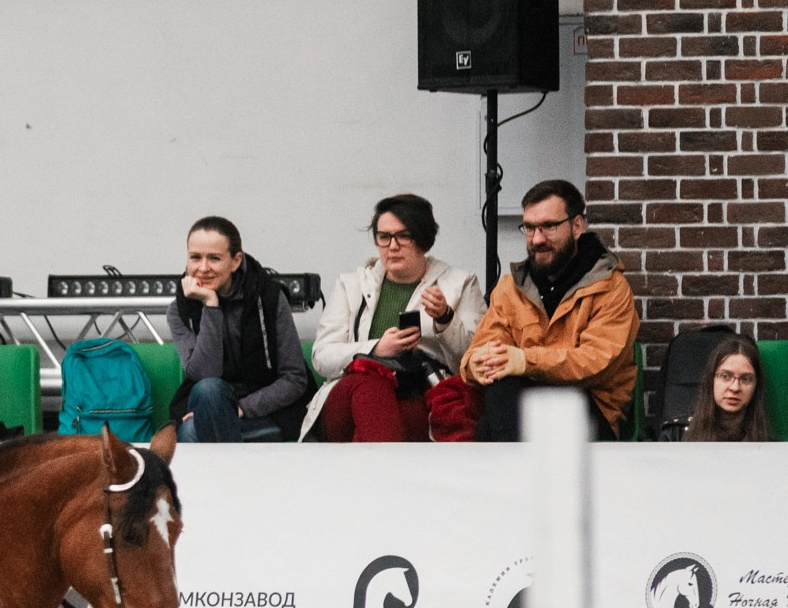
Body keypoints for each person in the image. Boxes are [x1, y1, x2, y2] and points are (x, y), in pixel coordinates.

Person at [444, 180, 640, 442]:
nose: (537, 239)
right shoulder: (510, 288)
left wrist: (525, 361)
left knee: (500, 407)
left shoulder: (611, 288)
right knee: (501, 388)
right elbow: (479, 350)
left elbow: (596, 364)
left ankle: (506, 476)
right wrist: (477, 365)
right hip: (518, 407)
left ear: (577, 225)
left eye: (549, 226)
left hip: (590, 411)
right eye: (529, 228)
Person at [305, 194, 484, 442]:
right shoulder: (351, 285)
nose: (392, 246)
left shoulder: (459, 284)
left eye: (404, 236)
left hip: (419, 394)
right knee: (370, 382)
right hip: (350, 395)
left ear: (424, 240)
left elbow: (475, 362)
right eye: (384, 237)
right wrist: (376, 348)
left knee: (405, 416)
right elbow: (322, 357)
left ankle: (373, 476)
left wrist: (446, 320)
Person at [165, 216, 310, 442]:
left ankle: (226, 475)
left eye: (214, 258)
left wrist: (240, 408)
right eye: (195, 257)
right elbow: (204, 375)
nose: (203, 268)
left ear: (235, 261)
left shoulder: (269, 298)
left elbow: (295, 378)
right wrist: (210, 306)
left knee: (193, 433)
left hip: (266, 413)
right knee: (207, 391)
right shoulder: (180, 310)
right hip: (210, 404)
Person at [668, 333, 772, 442]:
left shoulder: (770, 448)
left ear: (756, 385)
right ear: (711, 379)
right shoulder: (675, 435)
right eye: (726, 376)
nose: (735, 387)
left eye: (745, 379)